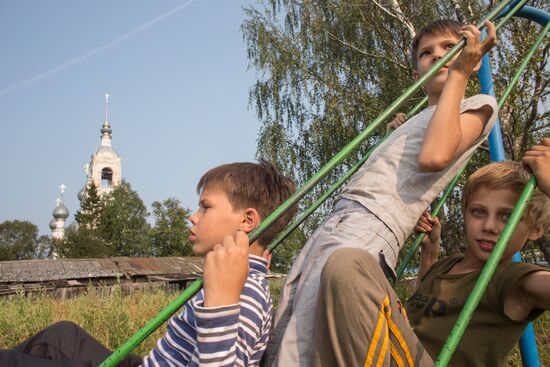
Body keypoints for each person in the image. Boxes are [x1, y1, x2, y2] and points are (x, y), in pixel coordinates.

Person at [266, 19, 499, 366]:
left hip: (369, 222)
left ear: (473, 58)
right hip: (342, 216)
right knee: (292, 309)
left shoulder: (479, 105)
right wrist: (403, 131)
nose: (438, 57)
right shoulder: (429, 116)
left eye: (450, 48)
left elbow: (435, 156)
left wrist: (461, 75)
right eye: (426, 53)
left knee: (310, 325)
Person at [0, 160, 297, 367]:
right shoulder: (245, 278)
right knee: (63, 337)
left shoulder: (240, 292)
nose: (193, 217)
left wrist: (222, 300)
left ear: (247, 221)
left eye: (205, 207)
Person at [313, 138, 550, 366]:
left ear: (536, 228)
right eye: (478, 212)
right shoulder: (447, 266)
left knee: (350, 263)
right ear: (465, 214)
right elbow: (421, 310)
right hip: (403, 356)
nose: (489, 226)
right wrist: (430, 249)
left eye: (506, 216)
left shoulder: (513, 280)